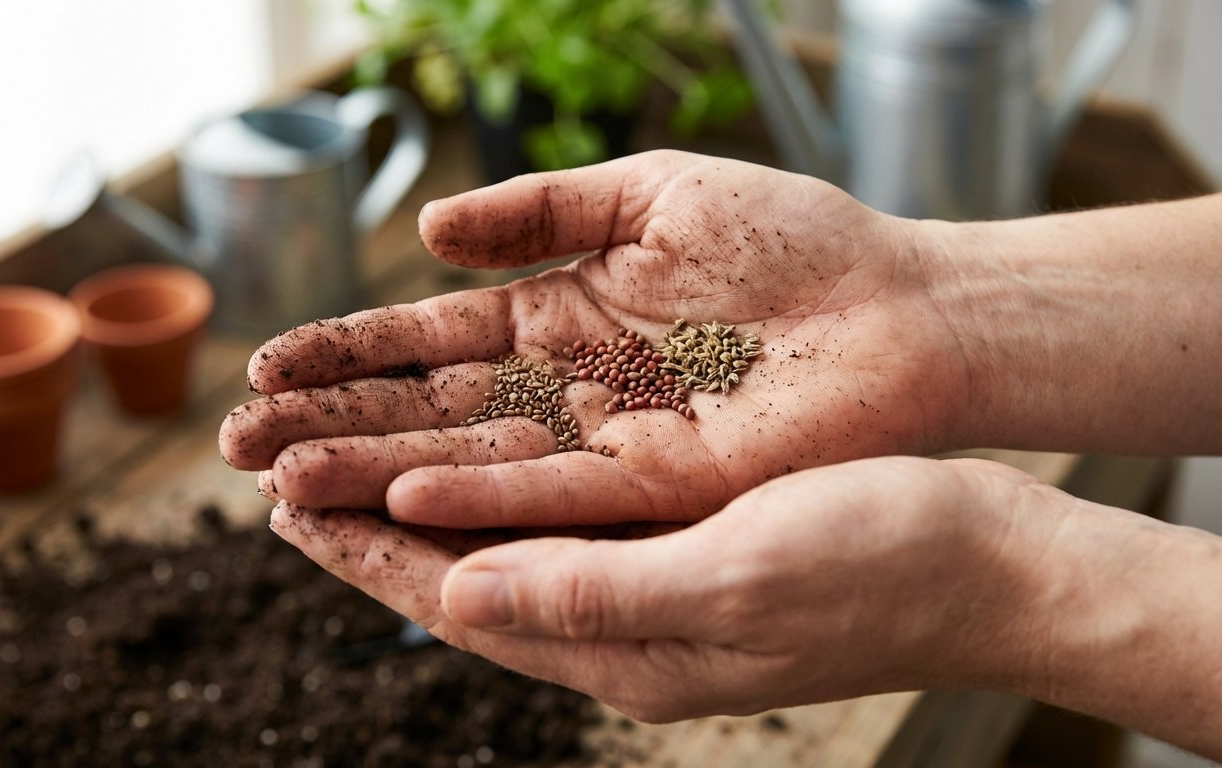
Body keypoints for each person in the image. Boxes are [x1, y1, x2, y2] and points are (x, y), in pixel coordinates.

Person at [218, 150, 1222, 758]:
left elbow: (1009, 586)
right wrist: (929, 295)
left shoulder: (673, 361)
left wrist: (1008, 588)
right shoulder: (639, 363)